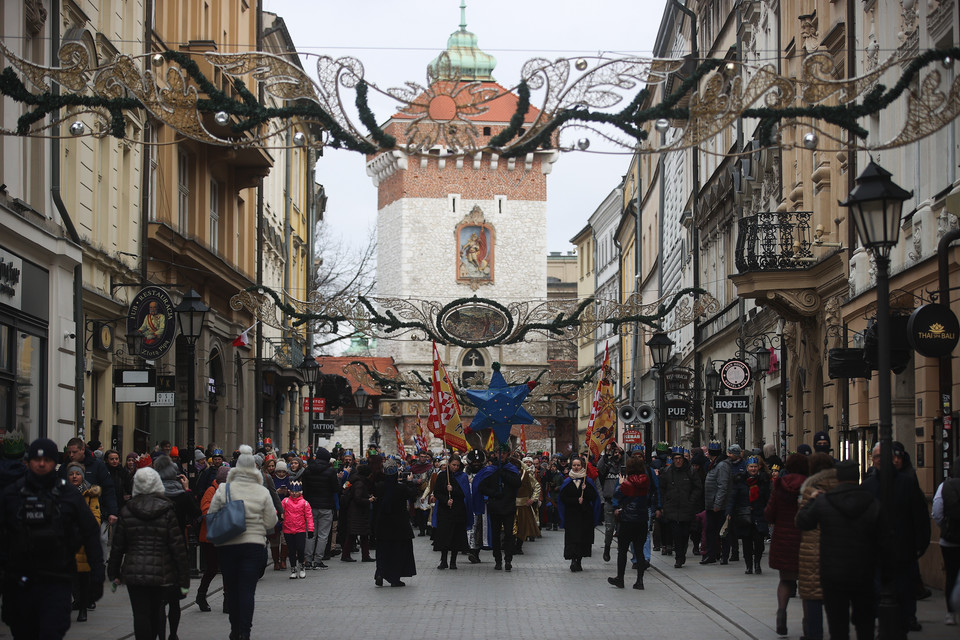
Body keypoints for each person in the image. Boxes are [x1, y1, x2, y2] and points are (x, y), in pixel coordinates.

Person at [0, 438, 104, 640]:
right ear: (28, 461)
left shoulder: (68, 495)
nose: (41, 464)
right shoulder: (12, 495)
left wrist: (97, 575)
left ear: (54, 462)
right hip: (19, 582)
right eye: (36, 459)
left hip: (56, 580)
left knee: (51, 632)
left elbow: (90, 533)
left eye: (47, 459)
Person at [796, 460, 882, 640]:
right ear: (857, 476)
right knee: (865, 624)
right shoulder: (871, 502)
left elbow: (802, 521)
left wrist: (812, 501)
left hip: (833, 572)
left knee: (838, 625)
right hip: (863, 572)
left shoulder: (824, 501)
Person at [107, 466, 189, 640]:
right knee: (157, 610)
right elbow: (177, 546)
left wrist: (113, 571)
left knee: (140, 614)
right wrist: (183, 578)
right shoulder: (167, 510)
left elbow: (118, 545)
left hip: (134, 571)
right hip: (161, 569)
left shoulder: (127, 510)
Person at [207, 445, 277, 640]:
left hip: (228, 545)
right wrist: (257, 525)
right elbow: (272, 520)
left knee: (232, 588)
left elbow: (211, 515)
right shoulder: (261, 491)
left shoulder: (224, 489)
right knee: (247, 590)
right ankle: (245, 632)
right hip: (253, 546)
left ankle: (234, 628)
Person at [862, 441, 930, 633]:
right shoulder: (868, 486)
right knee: (878, 592)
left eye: (883, 457)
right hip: (875, 553)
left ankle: (905, 622)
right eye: (876, 457)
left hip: (903, 550)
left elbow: (919, 515)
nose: (879, 461)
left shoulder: (907, 483)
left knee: (904, 591)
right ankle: (885, 626)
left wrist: (921, 543)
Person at [765, 452, 809, 637]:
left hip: (783, 539)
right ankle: (809, 621)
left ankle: (782, 612)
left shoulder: (779, 485)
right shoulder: (809, 485)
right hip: (805, 540)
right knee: (806, 583)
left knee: (785, 580)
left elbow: (769, 514)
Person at [797, 452, 838, 640]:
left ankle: (814, 634)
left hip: (812, 549)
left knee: (813, 594)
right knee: (836, 598)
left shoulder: (810, 488)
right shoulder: (841, 486)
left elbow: (802, 521)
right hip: (838, 548)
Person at [607, 452, 651, 589]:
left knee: (622, 550)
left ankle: (620, 578)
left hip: (627, 520)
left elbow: (617, 496)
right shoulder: (646, 481)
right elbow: (649, 498)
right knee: (639, 550)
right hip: (642, 519)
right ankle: (640, 581)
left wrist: (621, 483)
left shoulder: (627, 484)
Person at [372, 458, 419, 587]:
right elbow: (413, 495)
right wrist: (410, 483)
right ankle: (394, 577)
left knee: (383, 550)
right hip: (399, 526)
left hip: (383, 524)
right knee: (398, 552)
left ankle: (380, 572)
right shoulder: (401, 488)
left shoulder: (379, 487)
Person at [65, 461, 102, 622]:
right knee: (72, 576)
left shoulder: (90, 494)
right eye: (72, 474)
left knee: (83, 576)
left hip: (83, 542)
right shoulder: (62, 492)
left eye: (77, 474)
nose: (74, 477)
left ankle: (83, 606)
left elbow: (96, 518)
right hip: (67, 541)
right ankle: (78, 599)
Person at [659, 446, 703, 569]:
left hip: (686, 508)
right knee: (676, 534)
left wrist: (691, 500)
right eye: (676, 458)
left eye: (680, 458)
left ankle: (682, 553)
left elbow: (697, 487)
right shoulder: (668, 472)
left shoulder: (690, 471)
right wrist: (665, 503)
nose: (678, 461)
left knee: (684, 534)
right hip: (672, 508)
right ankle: (678, 557)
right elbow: (662, 488)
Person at [478, 449, 523, 572]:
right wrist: (493, 494)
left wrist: (503, 473)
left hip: (508, 506)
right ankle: (498, 559)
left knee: (509, 533)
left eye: (504, 453)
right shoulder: (490, 470)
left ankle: (508, 559)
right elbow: (481, 487)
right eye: (499, 453)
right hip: (495, 507)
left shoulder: (511, 469)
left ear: (507, 454)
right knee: (496, 535)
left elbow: (517, 483)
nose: (501, 455)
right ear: (495, 454)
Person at [557, 455, 601, 572]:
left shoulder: (587, 481)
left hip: (584, 515)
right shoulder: (567, 481)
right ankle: (573, 560)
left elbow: (593, 497)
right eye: (574, 465)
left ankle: (579, 560)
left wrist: (585, 490)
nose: (576, 467)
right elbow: (563, 498)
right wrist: (576, 500)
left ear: (582, 466)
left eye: (578, 465)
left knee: (582, 539)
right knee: (572, 539)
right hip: (572, 515)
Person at [727, 455, 770, 575]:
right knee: (746, 542)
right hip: (744, 516)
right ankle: (749, 565)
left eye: (755, 466)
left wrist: (770, 513)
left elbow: (768, 498)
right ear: (747, 468)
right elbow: (733, 497)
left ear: (758, 468)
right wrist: (729, 512)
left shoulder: (763, 480)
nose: (753, 469)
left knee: (759, 542)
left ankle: (757, 563)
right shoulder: (740, 480)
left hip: (759, 515)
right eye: (751, 466)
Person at [194, 465, 229, 613]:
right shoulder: (211, 490)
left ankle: (227, 601)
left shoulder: (229, 491)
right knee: (212, 569)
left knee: (227, 569)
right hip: (210, 536)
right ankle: (201, 595)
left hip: (226, 536)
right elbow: (205, 511)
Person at [59, 437, 118, 523]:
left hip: (95, 512)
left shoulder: (97, 465)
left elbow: (108, 488)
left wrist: (112, 512)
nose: (71, 455)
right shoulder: (64, 468)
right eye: (69, 452)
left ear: (82, 450)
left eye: (74, 452)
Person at [301, 447, 339, 569]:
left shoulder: (307, 471)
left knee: (310, 533)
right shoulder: (330, 471)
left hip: (311, 506)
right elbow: (335, 489)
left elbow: (305, 490)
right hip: (326, 506)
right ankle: (318, 560)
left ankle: (307, 559)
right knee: (323, 535)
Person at [933, 454, 960, 626]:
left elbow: (937, 511)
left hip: (949, 541)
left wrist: (945, 527)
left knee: (951, 575)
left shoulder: (945, 486)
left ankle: (951, 613)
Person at [432, 456, 472, 570]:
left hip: (458, 510)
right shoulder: (442, 475)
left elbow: (465, 493)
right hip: (445, 510)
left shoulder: (463, 476)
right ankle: (443, 560)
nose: (455, 467)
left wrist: (453, 489)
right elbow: (437, 492)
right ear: (449, 464)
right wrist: (446, 500)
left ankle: (453, 561)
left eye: (457, 465)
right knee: (444, 535)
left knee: (456, 536)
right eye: (453, 465)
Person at [703, 442, 740, 564]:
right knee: (711, 531)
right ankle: (712, 554)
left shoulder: (722, 465)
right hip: (711, 504)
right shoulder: (714, 464)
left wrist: (717, 504)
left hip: (719, 506)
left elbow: (723, 486)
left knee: (722, 531)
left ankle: (723, 556)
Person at [340, 463, 374, 563]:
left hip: (351, 510)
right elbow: (358, 498)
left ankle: (363, 555)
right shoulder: (360, 483)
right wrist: (369, 500)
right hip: (358, 512)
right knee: (356, 534)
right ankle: (351, 555)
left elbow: (343, 487)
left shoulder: (352, 478)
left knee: (357, 534)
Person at [281, 480, 314, 579]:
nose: (294, 493)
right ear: (289, 491)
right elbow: (279, 510)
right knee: (291, 550)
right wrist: (278, 516)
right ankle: (293, 569)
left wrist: (311, 529)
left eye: (296, 492)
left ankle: (302, 566)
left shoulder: (305, 503)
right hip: (288, 529)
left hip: (300, 529)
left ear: (300, 492)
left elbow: (309, 516)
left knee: (300, 548)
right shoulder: (285, 501)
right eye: (292, 491)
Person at [596, 443, 623, 562]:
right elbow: (599, 467)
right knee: (609, 528)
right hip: (609, 501)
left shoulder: (624, 466)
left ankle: (622, 550)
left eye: (618, 452)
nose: (616, 454)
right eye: (614, 452)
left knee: (623, 528)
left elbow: (629, 459)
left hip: (623, 502)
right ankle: (607, 548)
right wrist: (606, 452)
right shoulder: (607, 466)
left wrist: (621, 449)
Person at [512, 455, 541, 554]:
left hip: (523, 506)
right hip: (510, 505)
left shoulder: (526, 475)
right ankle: (510, 545)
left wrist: (533, 499)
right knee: (510, 526)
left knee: (522, 527)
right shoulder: (507, 475)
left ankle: (518, 546)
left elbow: (537, 486)